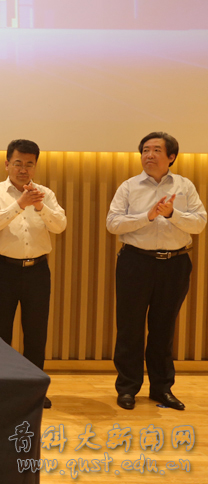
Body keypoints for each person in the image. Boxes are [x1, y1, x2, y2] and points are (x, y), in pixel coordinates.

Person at [107, 132, 206, 411]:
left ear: (171, 157)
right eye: (145, 150)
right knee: (130, 328)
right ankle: (127, 388)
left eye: (156, 150)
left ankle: (162, 389)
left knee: (164, 328)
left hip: (175, 264)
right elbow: (113, 224)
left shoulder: (184, 186)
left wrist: (172, 214)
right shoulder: (129, 186)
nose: (149, 155)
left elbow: (199, 223)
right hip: (135, 262)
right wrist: (147, 216)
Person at [0, 139, 66, 409]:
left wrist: (39, 206)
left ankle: (34, 390)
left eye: (29, 164)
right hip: (2, 270)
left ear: (35, 166)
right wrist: (20, 204)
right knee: (0, 333)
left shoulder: (45, 194)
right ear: (7, 164)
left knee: (36, 333)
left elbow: (60, 225)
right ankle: (1, 389)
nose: (23, 169)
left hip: (37, 271)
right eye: (18, 163)